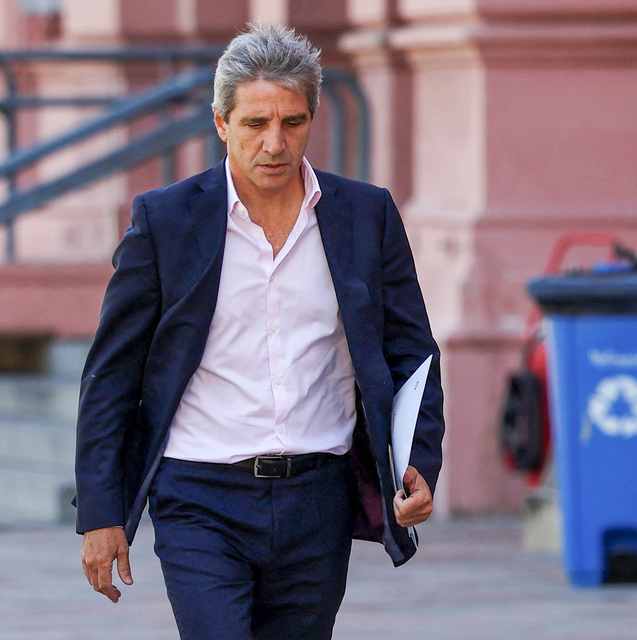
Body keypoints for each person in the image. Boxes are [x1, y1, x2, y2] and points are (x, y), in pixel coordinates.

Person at [75, 23, 445, 640]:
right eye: (255, 124)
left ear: (312, 119)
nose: (275, 143)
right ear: (221, 123)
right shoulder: (165, 220)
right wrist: (100, 510)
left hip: (318, 497)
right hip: (199, 496)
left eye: (292, 123)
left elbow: (412, 352)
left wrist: (420, 462)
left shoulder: (365, 214)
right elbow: (111, 374)